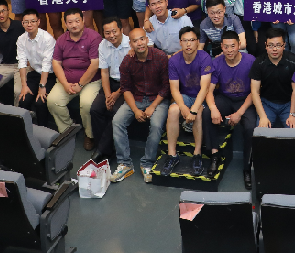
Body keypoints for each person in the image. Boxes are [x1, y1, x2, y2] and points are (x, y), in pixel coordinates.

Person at [108, 27, 169, 183]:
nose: (140, 43)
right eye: (135, 41)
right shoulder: (127, 61)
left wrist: (153, 106)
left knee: (156, 124)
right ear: (131, 44)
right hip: (136, 98)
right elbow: (126, 88)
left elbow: (166, 87)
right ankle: (125, 163)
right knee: (117, 121)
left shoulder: (160, 57)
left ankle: (147, 163)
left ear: (147, 40)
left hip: (158, 99)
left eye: (142, 39)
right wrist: (135, 110)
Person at [200, 36, 258, 183]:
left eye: (233, 46)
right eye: (226, 46)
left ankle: (248, 167)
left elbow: (255, 91)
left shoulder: (250, 61)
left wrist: (239, 113)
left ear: (239, 45)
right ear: (222, 47)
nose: (229, 50)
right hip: (225, 98)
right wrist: (213, 108)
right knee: (206, 112)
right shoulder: (217, 62)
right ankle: (215, 155)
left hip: (245, 99)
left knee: (250, 126)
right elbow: (209, 90)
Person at [47, 8, 104, 149]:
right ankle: (68, 130)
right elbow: (56, 63)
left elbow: (95, 65)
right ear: (65, 24)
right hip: (67, 80)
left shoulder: (94, 37)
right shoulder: (62, 39)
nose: (74, 25)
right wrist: (65, 83)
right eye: (70, 22)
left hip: (90, 81)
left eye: (77, 21)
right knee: (53, 101)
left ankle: (89, 135)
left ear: (83, 20)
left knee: (86, 104)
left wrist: (80, 84)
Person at [162, 28, 214, 176]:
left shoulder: (205, 58)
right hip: (184, 95)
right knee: (173, 111)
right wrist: (183, 107)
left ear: (197, 42)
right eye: (185, 40)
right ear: (180, 42)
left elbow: (204, 88)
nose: (188, 44)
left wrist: (193, 110)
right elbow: (174, 89)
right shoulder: (174, 61)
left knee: (198, 114)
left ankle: (197, 154)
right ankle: (172, 155)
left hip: (201, 96)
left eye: (192, 40)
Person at [86, 16, 131, 161]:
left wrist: (116, 94)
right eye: (107, 33)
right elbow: (104, 72)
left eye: (114, 31)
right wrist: (107, 95)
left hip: (128, 85)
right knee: (95, 109)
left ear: (121, 30)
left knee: (116, 112)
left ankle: (101, 150)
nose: (111, 35)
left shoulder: (131, 45)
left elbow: (132, 76)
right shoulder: (103, 45)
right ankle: (105, 149)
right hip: (111, 83)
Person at [250, 28, 295, 142]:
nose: (274, 49)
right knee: (261, 134)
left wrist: (293, 114)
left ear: (284, 45)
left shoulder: (294, 60)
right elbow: (254, 92)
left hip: (288, 104)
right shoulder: (259, 62)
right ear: (265, 45)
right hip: (267, 103)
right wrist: (263, 116)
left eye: (278, 45)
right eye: (271, 45)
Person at [14, 9, 56, 126]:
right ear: (22, 23)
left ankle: (43, 129)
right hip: (34, 73)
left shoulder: (48, 39)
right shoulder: (21, 39)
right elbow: (22, 62)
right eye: (26, 22)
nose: (29, 24)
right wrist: (24, 85)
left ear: (38, 22)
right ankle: (26, 128)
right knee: (24, 99)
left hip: (50, 75)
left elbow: (47, 64)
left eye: (33, 21)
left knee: (40, 102)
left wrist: (42, 86)